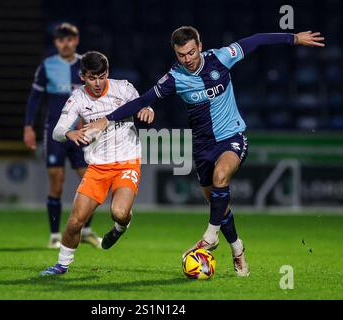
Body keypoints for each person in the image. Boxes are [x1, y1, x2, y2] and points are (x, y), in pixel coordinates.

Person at [84, 27, 325, 276]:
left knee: (221, 177)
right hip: (202, 148)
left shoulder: (221, 57)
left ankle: (210, 237)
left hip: (232, 137)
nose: (187, 59)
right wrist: (107, 119)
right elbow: (142, 101)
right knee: (220, 205)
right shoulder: (174, 78)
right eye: (181, 55)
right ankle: (237, 249)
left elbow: (256, 41)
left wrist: (294, 38)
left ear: (199, 45)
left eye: (190, 52)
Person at [40, 51, 155, 275]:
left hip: (127, 161)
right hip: (98, 167)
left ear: (108, 73)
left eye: (101, 76)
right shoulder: (78, 98)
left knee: (119, 213)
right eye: (92, 77)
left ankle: (121, 226)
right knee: (75, 222)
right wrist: (70, 134)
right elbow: (58, 130)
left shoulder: (123, 88)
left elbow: (143, 104)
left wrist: (147, 111)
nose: (97, 82)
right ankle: (62, 265)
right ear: (83, 76)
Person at [23, 23, 102, 249]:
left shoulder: (86, 64)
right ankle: (55, 235)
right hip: (56, 134)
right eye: (60, 40)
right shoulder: (47, 66)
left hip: (83, 133)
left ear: (76, 40)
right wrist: (28, 127)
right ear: (56, 43)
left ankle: (85, 230)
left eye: (69, 39)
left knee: (91, 182)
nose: (65, 43)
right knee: (57, 182)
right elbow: (35, 99)